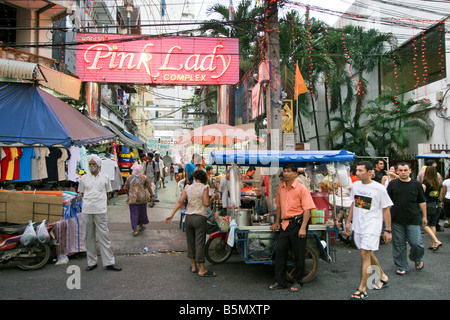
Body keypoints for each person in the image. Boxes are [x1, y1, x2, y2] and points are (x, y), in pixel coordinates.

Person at [344, 161, 393, 300]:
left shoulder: (379, 188)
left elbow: (386, 209)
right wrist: (348, 221)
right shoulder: (355, 185)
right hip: (359, 226)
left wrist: (387, 230)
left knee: (364, 254)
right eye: (357, 171)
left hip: (372, 227)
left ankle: (362, 289)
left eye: (360, 171)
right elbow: (354, 203)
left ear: (370, 172)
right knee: (368, 252)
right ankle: (382, 277)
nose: (357, 173)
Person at [269, 163, 316, 292]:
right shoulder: (280, 187)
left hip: (298, 224)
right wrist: (277, 222)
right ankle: (280, 281)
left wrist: (303, 228)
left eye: (289, 171)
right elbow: (278, 206)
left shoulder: (301, 189)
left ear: (296, 174)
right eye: (284, 171)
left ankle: (297, 281)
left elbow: (307, 210)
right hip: (284, 224)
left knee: (299, 254)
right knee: (280, 252)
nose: (286, 173)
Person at [165, 170, 216, 277]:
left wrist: (171, 215)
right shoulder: (204, 187)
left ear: (194, 178)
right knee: (199, 243)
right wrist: (212, 198)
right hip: (199, 218)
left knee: (190, 242)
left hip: (188, 218)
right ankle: (201, 269)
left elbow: (180, 201)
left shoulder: (188, 187)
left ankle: (193, 267)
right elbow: (206, 204)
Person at [78, 155, 122, 271]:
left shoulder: (105, 178)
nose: (92, 166)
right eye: (90, 164)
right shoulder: (83, 179)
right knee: (88, 237)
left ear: (99, 165)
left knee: (104, 236)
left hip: (100, 210)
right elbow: (81, 193)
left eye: (94, 164)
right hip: (87, 210)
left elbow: (107, 193)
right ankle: (92, 262)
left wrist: (103, 205)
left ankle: (109, 262)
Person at [387, 162, 427, 276]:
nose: (403, 172)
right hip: (396, 219)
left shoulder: (416, 184)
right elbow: (386, 202)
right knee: (399, 245)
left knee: (416, 244)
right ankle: (402, 266)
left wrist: (424, 216)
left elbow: (422, 201)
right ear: (397, 171)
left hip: (413, 219)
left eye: (405, 170)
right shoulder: (392, 184)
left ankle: (417, 258)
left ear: (410, 171)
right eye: (400, 170)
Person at [124, 164, 155, 237]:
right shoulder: (144, 177)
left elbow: (126, 188)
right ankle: (141, 226)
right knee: (142, 212)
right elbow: (149, 187)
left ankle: (135, 230)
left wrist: (129, 195)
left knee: (134, 214)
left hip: (133, 198)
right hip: (142, 198)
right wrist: (152, 196)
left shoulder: (129, 178)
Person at [421, 166, 442, 251]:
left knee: (424, 224)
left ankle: (436, 241)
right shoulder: (439, 182)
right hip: (437, 204)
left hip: (428, 205)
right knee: (433, 224)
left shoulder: (425, 183)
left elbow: (421, 196)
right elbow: (440, 195)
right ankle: (432, 243)